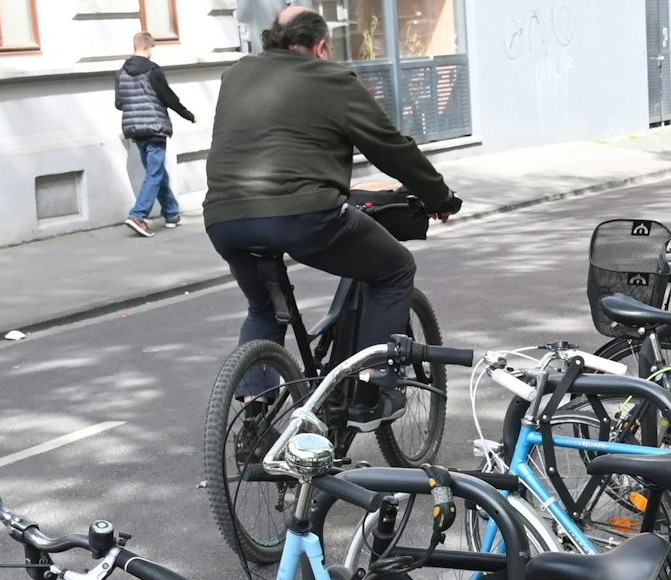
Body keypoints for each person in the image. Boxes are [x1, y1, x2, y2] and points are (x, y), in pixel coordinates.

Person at [202, 6, 460, 421]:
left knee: (264, 310)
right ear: (321, 45)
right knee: (394, 269)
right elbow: (389, 146)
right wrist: (439, 196)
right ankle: (369, 391)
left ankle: (254, 415)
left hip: (223, 218)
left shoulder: (236, 74)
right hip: (302, 215)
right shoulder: (332, 79)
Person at [116, 31, 196, 237]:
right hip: (155, 127)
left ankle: (171, 214)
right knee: (154, 173)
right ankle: (138, 215)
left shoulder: (121, 73)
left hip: (135, 129)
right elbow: (168, 98)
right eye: (152, 49)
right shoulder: (153, 71)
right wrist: (188, 115)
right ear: (148, 47)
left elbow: (119, 103)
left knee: (157, 171)